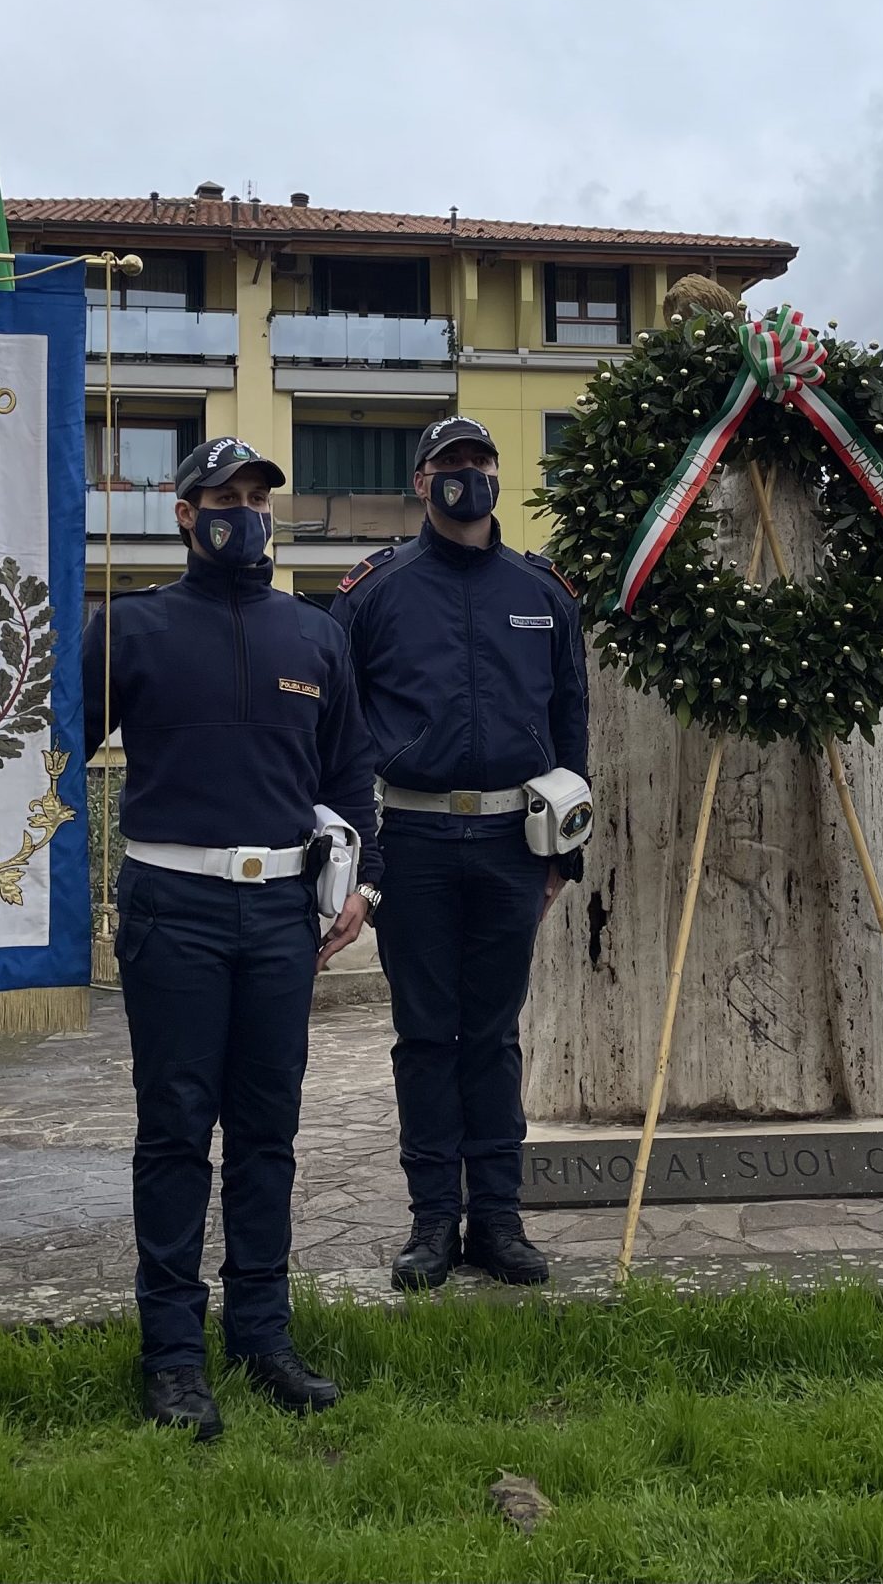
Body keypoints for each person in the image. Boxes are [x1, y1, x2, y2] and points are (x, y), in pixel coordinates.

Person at [83, 436, 380, 1440]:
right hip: (174, 907)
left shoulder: (315, 634)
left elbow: (349, 774)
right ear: (182, 509)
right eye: (223, 494)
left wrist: (358, 883)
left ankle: (262, 1333)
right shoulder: (129, 628)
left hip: (280, 917)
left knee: (267, 1132)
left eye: (257, 496)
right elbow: (45, 748)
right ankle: (171, 1355)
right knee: (174, 1130)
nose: (244, 508)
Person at [327, 415, 588, 1292]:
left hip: (515, 843)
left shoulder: (542, 590)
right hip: (417, 841)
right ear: (420, 480)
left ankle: (500, 1221)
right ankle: (433, 1220)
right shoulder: (374, 591)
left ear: (495, 473)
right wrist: (362, 860)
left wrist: (563, 857)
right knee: (423, 1035)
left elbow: (571, 730)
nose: (465, 474)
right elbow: (343, 734)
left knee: (493, 1034)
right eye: (449, 462)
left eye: (479, 459)